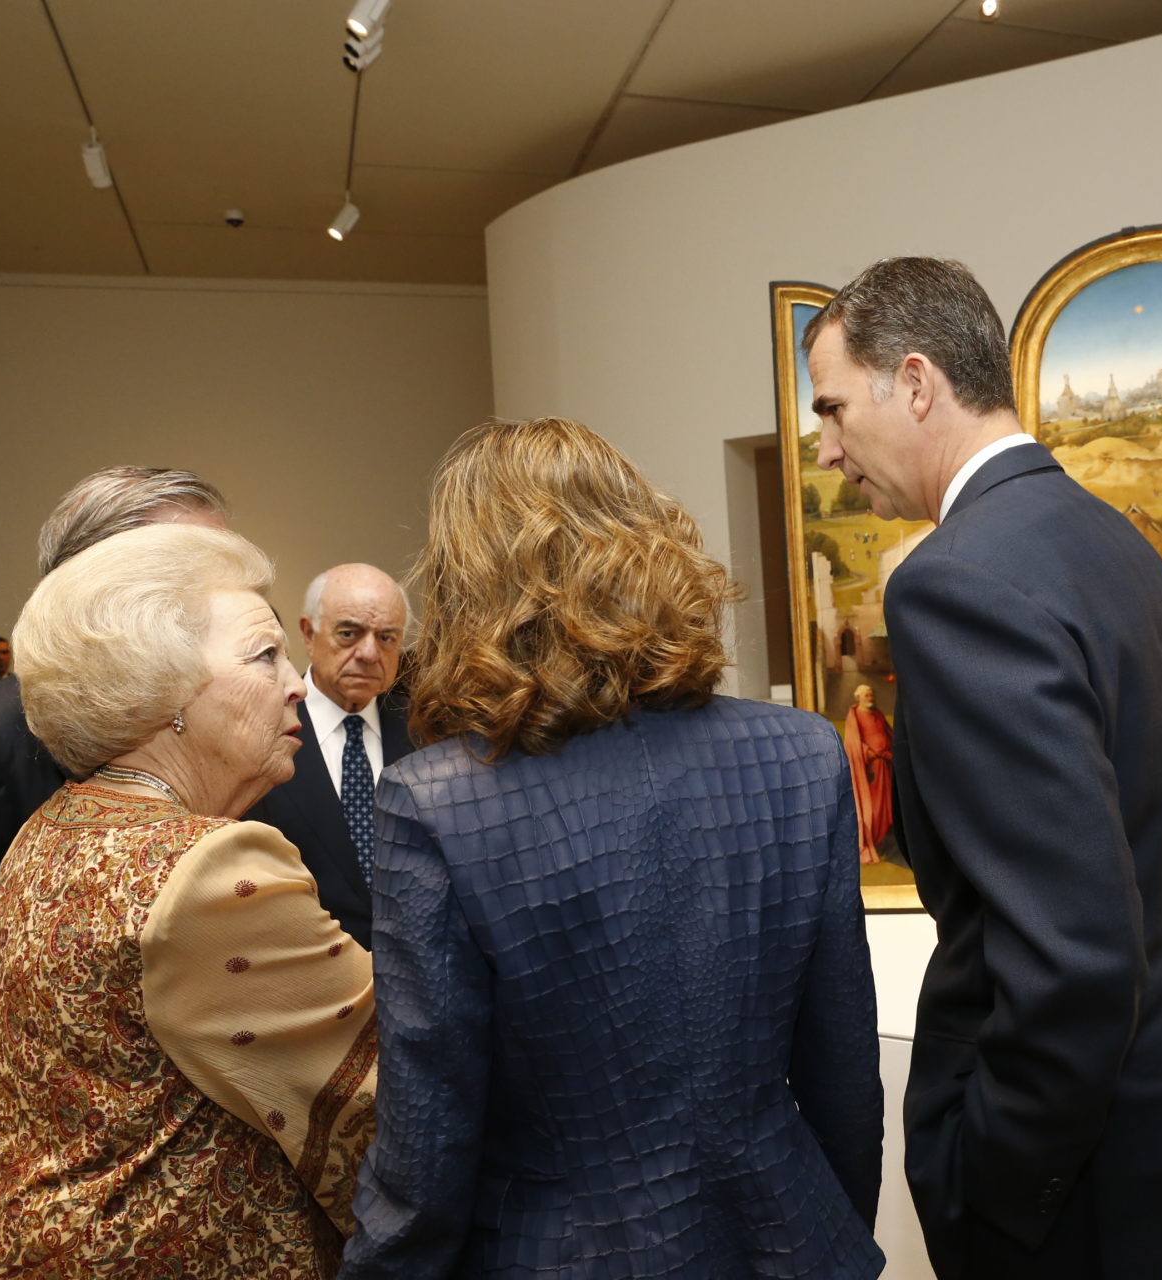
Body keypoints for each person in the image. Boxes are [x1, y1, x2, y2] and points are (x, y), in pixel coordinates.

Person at [806, 257, 1162, 1279]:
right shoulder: (1110, 539)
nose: (824, 449)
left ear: (918, 380)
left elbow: (1071, 949)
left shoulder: (957, 582)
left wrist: (993, 1180)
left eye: (836, 407)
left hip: (1090, 1198)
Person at [340, 418, 883, 1280]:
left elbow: (428, 1145)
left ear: (468, 584)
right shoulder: (802, 752)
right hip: (788, 1240)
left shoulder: (436, 802)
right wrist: (832, 1230)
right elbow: (843, 1070)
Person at [0, 523, 377, 1278]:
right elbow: (382, 1099)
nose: (297, 682)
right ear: (166, 694)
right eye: (264, 656)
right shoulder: (212, 869)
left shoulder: (48, 832)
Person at [0, 465, 230, 1142]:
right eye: (196, 575)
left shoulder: (211, 727)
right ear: (95, 589)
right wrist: (27, 1166)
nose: (228, 599)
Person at [244, 563, 415, 946]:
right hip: (307, 975)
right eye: (350, 633)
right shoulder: (259, 735)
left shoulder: (428, 734)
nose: (370, 653)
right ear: (308, 633)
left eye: (387, 637)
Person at [842, 683, 894, 864]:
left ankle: (885, 847)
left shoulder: (878, 714)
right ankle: (876, 843)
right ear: (859, 698)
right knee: (874, 811)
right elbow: (854, 745)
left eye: (871, 694)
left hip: (884, 768)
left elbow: (888, 735)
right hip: (869, 772)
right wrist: (871, 753)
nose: (870, 698)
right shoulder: (854, 716)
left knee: (888, 808)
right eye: (866, 695)